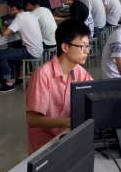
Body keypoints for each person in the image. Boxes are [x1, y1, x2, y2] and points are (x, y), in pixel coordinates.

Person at [26, 20, 92, 153]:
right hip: (45, 147)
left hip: (68, 137)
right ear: (65, 47)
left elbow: (95, 95)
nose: (87, 51)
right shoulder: (43, 74)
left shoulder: (80, 72)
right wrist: (66, 122)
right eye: (82, 46)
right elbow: (32, 120)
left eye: (88, 46)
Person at [0, 0, 43, 93]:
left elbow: (4, 33)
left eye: (8, 8)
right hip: (39, 49)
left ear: (13, 8)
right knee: (14, 47)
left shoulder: (19, 17)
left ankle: (8, 84)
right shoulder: (30, 14)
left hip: (31, 52)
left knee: (1, 55)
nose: (7, 10)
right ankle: (19, 76)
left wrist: (0, 23)